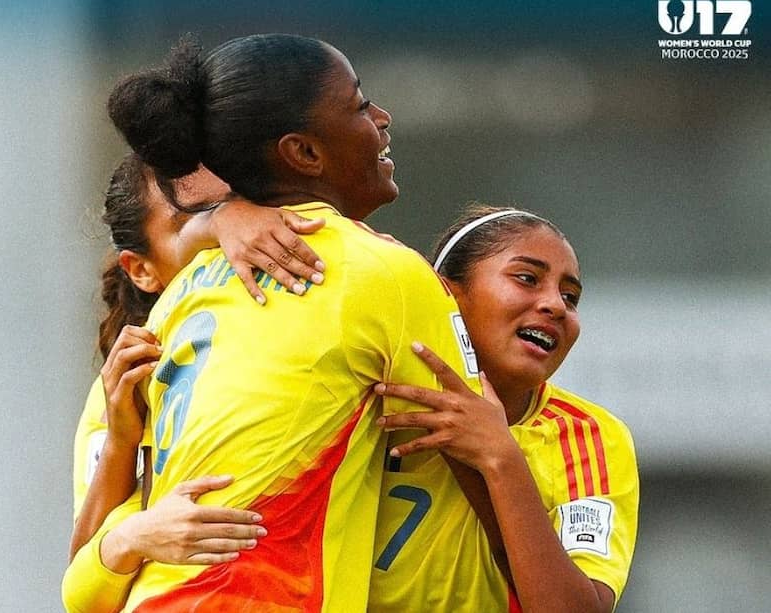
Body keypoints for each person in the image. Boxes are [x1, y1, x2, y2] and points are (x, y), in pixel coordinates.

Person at [62, 33, 472, 612]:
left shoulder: (190, 306)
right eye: (205, 219)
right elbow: (80, 588)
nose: (245, 229)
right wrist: (129, 531)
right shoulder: (380, 272)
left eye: (233, 203)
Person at [370, 205, 639, 612]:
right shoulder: (373, 390)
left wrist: (501, 457)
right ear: (446, 291)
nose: (556, 305)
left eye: (571, 297)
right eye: (527, 278)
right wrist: (236, 218)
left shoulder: (588, 435)